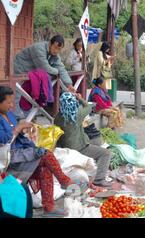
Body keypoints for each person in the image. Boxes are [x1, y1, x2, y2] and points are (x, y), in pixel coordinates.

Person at [0, 86, 84, 217]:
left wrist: (25, 128)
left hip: (21, 152)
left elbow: (16, 127)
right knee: (45, 153)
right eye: (9, 102)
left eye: (12, 102)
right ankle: (65, 181)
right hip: (9, 157)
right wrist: (18, 129)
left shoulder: (8, 114)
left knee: (45, 167)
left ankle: (49, 207)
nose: (12, 106)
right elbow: (4, 141)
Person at [55, 92, 112, 188]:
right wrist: (80, 98)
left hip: (66, 149)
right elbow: (89, 107)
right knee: (105, 153)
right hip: (80, 148)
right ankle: (99, 179)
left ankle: (92, 176)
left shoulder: (57, 118)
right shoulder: (77, 114)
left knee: (94, 146)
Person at [13, 35, 76, 119]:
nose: (56, 51)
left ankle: (27, 118)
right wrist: (57, 72)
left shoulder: (54, 54)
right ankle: (15, 119)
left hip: (30, 74)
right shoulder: (38, 48)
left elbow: (61, 68)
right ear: (50, 43)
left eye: (59, 49)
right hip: (19, 69)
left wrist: (69, 84)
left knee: (27, 96)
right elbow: (44, 68)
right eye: (55, 47)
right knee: (16, 94)